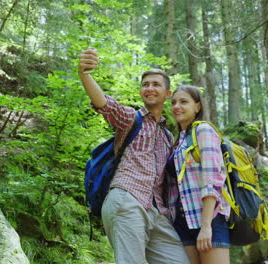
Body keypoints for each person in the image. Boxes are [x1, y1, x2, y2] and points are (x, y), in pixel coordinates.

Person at [78, 47, 190, 264]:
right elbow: (105, 105)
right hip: (127, 199)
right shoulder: (131, 118)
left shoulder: (168, 136)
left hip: (157, 212)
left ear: (167, 94)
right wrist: (85, 73)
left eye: (156, 84)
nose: (149, 88)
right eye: (145, 84)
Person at [166, 85, 231, 264]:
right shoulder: (178, 141)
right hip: (182, 220)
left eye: (183, 102)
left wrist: (206, 226)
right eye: (173, 103)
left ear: (197, 106)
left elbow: (211, 179)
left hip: (209, 217)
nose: (176, 106)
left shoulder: (203, 130)